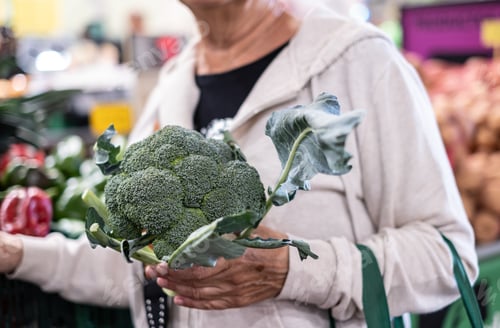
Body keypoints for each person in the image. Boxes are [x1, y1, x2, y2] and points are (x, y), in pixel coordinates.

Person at [1, 0, 479, 327]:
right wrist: (19, 254)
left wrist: (295, 269)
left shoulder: (361, 65)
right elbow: (136, 268)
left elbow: (448, 256)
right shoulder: (169, 89)